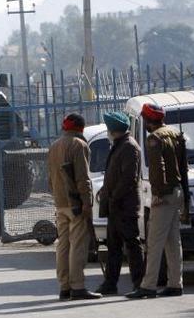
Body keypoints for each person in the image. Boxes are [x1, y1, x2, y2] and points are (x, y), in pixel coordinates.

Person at [126, 104, 185, 299]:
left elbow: (157, 169)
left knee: (154, 242)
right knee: (173, 242)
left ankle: (148, 285)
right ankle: (175, 283)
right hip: (177, 192)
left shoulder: (154, 138)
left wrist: (157, 193)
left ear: (148, 121)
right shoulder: (176, 134)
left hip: (164, 194)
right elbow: (183, 167)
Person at [48, 113, 102, 301]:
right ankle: (78, 286)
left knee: (63, 245)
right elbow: (82, 178)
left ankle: (64, 286)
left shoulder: (54, 146)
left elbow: (50, 179)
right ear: (81, 128)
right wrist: (87, 203)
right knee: (78, 245)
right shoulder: (79, 145)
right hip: (76, 204)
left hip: (60, 203)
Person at [96, 112, 144, 295]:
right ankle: (110, 283)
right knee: (114, 247)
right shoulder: (119, 145)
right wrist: (105, 192)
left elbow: (128, 179)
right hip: (116, 206)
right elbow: (115, 175)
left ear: (112, 130)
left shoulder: (129, 147)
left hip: (124, 206)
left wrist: (114, 197)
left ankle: (139, 283)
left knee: (132, 245)